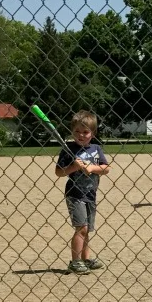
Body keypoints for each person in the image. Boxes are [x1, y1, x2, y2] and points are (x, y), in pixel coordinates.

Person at [55, 110, 110, 275]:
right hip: (75, 193)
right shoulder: (68, 150)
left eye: (85, 132)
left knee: (88, 229)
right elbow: (59, 172)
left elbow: (106, 168)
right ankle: (75, 261)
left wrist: (92, 168)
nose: (81, 135)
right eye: (77, 131)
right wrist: (74, 167)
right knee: (81, 228)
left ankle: (86, 259)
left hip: (91, 194)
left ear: (92, 133)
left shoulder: (96, 148)